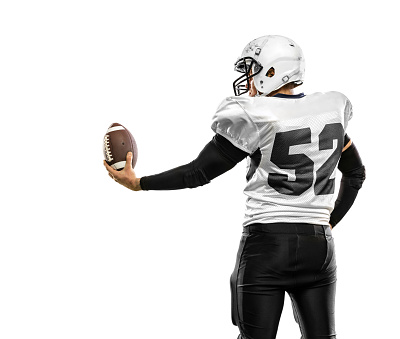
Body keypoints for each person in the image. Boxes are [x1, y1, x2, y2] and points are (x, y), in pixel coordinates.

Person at [104, 35, 366, 339]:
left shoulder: (257, 116)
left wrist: (139, 183)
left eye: (252, 69)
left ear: (271, 71)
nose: (247, 78)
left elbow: (197, 173)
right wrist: (328, 223)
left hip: (268, 246)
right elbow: (356, 173)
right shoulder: (329, 109)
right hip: (319, 247)